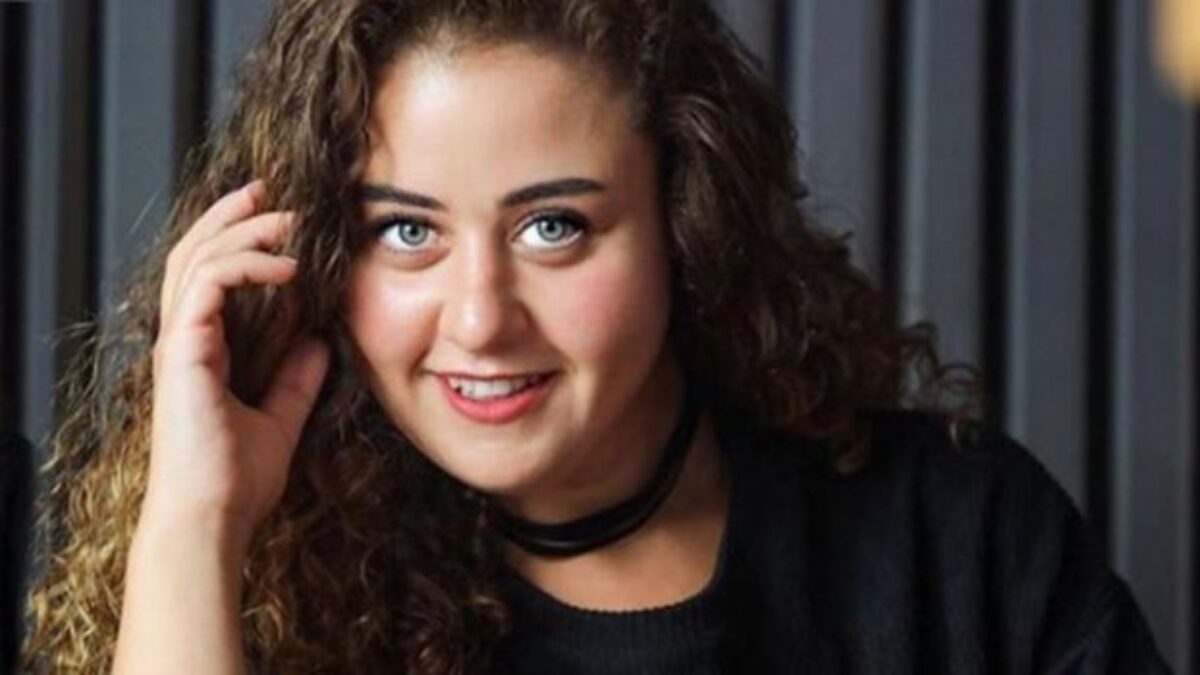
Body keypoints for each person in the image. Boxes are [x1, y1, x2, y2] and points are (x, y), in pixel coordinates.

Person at [20, 0, 1170, 672]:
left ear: (686, 224)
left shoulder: (955, 542)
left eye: (553, 227)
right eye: (408, 232)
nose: (480, 319)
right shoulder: (278, 583)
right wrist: (194, 524)